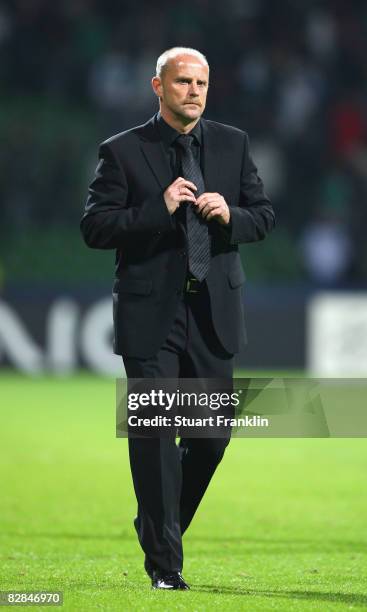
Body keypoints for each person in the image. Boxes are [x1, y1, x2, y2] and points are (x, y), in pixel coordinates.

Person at [81, 46, 275, 590]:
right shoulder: (122, 151)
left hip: (213, 311)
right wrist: (157, 210)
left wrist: (230, 215)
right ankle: (166, 566)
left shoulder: (233, 144)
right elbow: (95, 228)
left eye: (202, 82)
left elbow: (264, 216)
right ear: (158, 87)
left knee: (212, 438)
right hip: (152, 317)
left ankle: (156, 525)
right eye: (183, 81)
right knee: (156, 434)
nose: (194, 90)